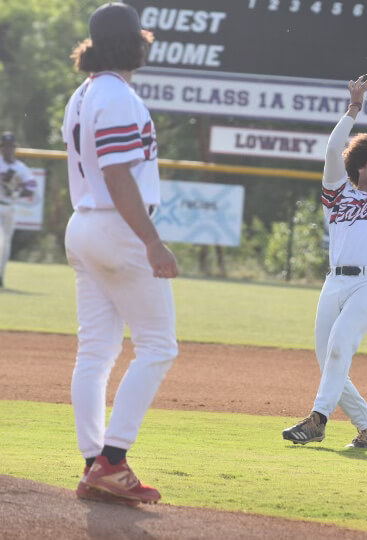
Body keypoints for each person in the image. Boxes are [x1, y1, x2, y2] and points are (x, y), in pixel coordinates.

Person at [61, 2, 178, 505]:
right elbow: (116, 173)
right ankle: (113, 461)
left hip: (84, 226)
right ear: (134, 43)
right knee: (157, 346)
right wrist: (152, 240)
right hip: (117, 226)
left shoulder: (83, 94)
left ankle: (94, 463)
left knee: (96, 351)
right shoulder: (119, 96)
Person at [282, 76, 367, 448]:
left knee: (341, 344)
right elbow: (332, 151)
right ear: (358, 166)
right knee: (327, 356)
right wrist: (354, 108)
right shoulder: (338, 195)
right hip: (334, 284)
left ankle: (317, 420)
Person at [0, 131, 35, 288]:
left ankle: (1, 275)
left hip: (9, 207)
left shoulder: (20, 168)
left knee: (6, 244)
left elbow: (31, 188)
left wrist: (15, 190)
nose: (8, 149)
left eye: (10, 146)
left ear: (14, 148)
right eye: (5, 146)